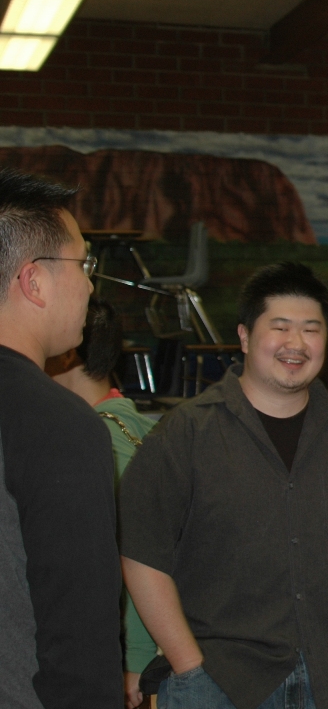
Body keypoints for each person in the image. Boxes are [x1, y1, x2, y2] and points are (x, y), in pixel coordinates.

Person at [119, 261, 328, 709]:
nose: (296, 344)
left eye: (311, 330)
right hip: (222, 682)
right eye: (281, 327)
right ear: (246, 336)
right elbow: (141, 554)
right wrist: (188, 664)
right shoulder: (187, 432)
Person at [0, 168, 123, 708]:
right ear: (34, 281)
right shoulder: (58, 424)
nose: (91, 286)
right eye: (84, 265)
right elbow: (80, 635)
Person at [44, 298, 158, 709]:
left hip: (125, 657)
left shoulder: (106, 440)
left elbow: (138, 556)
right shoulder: (131, 423)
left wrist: (135, 660)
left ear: (66, 352)